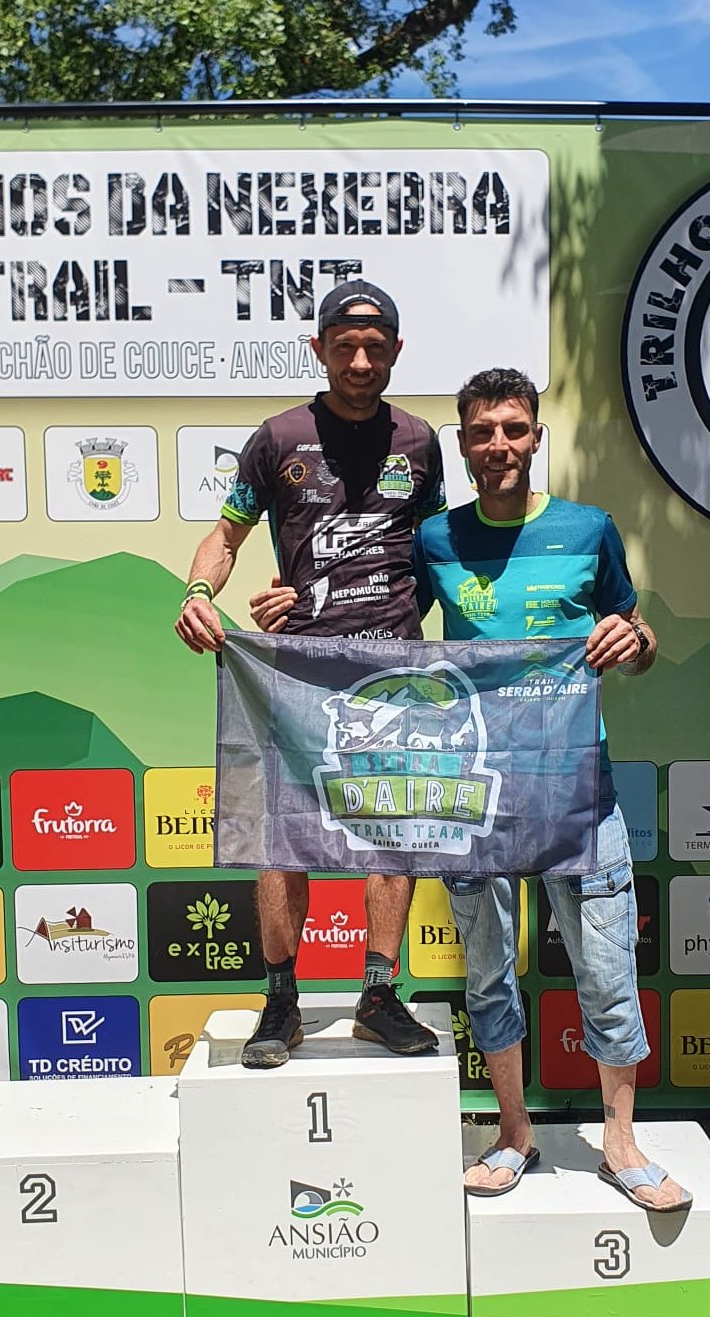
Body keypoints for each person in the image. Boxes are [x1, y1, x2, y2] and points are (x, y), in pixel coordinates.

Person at [250, 368, 690, 1212]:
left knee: (605, 971)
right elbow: (369, 621)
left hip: (576, 791)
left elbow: (638, 633)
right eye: (483, 431)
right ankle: (514, 1134)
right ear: (462, 444)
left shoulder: (589, 529)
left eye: (514, 429)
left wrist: (632, 642)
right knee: (488, 977)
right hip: (472, 797)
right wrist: (286, 615)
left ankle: (621, 1144)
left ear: (536, 437)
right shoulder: (436, 539)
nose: (499, 445)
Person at [174, 280, 447, 1070]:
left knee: (392, 836)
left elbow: (440, 552)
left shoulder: (421, 442)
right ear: (319, 348)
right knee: (280, 840)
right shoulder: (278, 438)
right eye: (345, 346)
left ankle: (378, 997)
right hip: (295, 675)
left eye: (375, 347)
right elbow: (224, 538)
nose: (360, 362)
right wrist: (198, 594)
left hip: (392, 669)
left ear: (396, 351)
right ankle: (281, 1000)